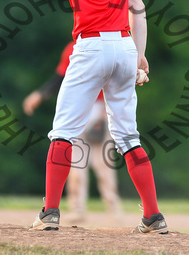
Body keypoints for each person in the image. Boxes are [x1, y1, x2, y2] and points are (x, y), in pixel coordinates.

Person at [14, 0, 168, 234]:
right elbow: (137, 5)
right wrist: (140, 54)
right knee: (128, 135)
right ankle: (153, 217)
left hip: (92, 46)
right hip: (125, 46)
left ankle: (50, 212)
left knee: (64, 131)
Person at [23, 41, 123, 223]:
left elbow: (115, 81)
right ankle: (78, 209)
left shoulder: (109, 46)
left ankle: (113, 210)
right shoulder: (72, 48)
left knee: (104, 165)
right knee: (77, 165)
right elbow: (60, 78)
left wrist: (108, 109)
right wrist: (40, 94)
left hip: (101, 108)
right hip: (79, 109)